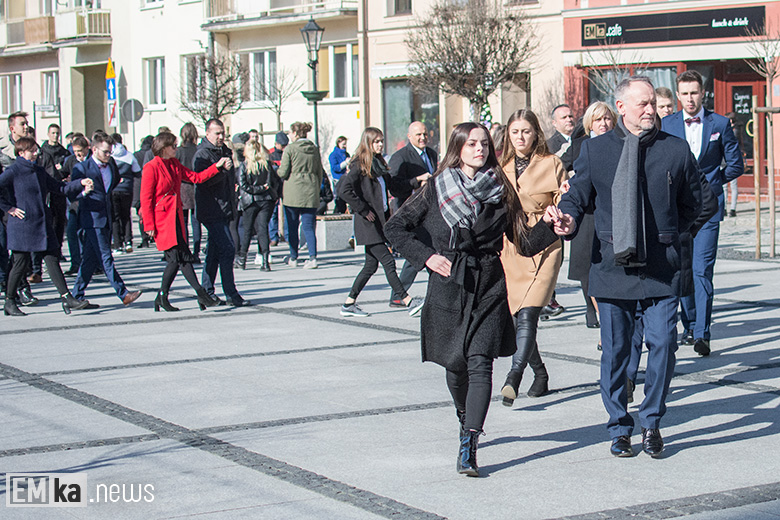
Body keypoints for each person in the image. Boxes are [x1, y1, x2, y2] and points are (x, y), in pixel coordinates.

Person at [385, 122, 570, 477]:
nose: (479, 149)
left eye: (484, 143)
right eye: (471, 144)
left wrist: (550, 226)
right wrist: (425, 257)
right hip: (449, 284)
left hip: (489, 284)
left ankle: (470, 442)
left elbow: (525, 242)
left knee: (480, 362)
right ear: (458, 148)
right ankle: (464, 416)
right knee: (455, 368)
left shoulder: (501, 190)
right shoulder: (436, 188)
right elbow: (396, 228)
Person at [557, 76, 702, 458]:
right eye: (642, 104)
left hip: (661, 267)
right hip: (611, 267)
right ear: (621, 107)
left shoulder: (675, 150)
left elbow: (698, 203)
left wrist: (670, 233)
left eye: (653, 103)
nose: (651, 110)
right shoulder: (595, 150)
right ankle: (619, 426)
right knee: (617, 352)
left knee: (664, 344)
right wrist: (568, 221)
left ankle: (651, 421)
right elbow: (577, 199)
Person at [662, 70, 743, 356]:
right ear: (678, 95)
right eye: (684, 93)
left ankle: (701, 332)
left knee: (701, 270)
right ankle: (688, 323)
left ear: (703, 92)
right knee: (682, 269)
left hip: (709, 208)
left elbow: (736, 164)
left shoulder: (719, 123)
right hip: (678, 210)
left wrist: (713, 182)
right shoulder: (666, 125)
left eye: (694, 92)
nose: (690, 98)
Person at [498, 109, 568, 406]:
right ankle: (540, 373)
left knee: (530, 312)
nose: (520, 137)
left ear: (536, 133)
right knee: (517, 315)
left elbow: (566, 198)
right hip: (513, 242)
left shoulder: (552, 163)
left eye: (526, 131)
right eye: (515, 132)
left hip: (545, 240)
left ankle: (514, 375)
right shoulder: (501, 166)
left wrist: (559, 211)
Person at [0, 137, 93, 316]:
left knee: (52, 258)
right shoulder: (14, 171)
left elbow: (59, 188)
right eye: (32, 150)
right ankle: (9, 301)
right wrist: (9, 208)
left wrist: (79, 184)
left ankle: (67, 297)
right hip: (22, 225)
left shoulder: (38, 170)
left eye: (36, 150)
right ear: (21, 153)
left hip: (41, 224)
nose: (36, 153)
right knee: (20, 263)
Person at [337, 127, 424, 318]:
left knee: (370, 266)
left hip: (379, 221)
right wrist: (363, 209)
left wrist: (417, 180)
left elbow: (394, 186)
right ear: (368, 142)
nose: (380, 144)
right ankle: (407, 300)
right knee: (387, 261)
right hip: (367, 223)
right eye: (376, 141)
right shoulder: (359, 164)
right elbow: (344, 190)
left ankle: (349, 303)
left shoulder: (377, 163)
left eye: (382, 141)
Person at [140, 132, 230, 312]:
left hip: (176, 218)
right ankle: (201, 294)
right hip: (162, 219)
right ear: (163, 148)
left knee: (179, 258)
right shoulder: (151, 167)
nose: (176, 148)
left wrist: (217, 167)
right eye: (173, 145)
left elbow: (196, 178)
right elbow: (146, 198)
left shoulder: (174, 163)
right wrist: (149, 226)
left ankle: (162, 296)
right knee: (178, 258)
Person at [561, 101, 618, 331]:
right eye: (598, 119)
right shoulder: (580, 145)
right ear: (589, 123)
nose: (603, 124)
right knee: (586, 266)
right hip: (586, 212)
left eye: (606, 118)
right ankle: (590, 306)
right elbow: (560, 166)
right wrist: (567, 183)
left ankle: (606, 315)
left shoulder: (619, 143)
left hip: (609, 212)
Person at [70, 132, 142, 307]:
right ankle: (123, 293)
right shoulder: (82, 168)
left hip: (106, 216)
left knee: (89, 259)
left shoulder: (110, 165)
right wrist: (84, 193)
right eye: (105, 152)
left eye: (110, 152)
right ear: (94, 149)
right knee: (105, 257)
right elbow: (72, 191)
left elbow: (113, 182)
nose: (108, 155)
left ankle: (75, 296)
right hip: (92, 218)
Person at [193, 119, 250, 306]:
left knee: (214, 250)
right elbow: (202, 181)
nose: (220, 137)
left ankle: (206, 293)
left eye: (222, 133)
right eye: (216, 133)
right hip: (211, 208)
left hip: (225, 206)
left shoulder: (224, 150)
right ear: (207, 133)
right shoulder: (202, 154)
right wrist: (220, 170)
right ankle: (231, 293)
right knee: (227, 248)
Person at [387, 121, 438, 306]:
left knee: (427, 249)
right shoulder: (401, 157)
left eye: (425, 134)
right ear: (409, 137)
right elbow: (395, 187)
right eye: (418, 135)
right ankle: (398, 293)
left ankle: (399, 293)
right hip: (411, 212)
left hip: (431, 210)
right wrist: (417, 180)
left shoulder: (431, 154)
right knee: (419, 251)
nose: (423, 138)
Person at [277, 122, 324, 269]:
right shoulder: (314, 149)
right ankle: (313, 257)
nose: (289, 135)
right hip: (310, 191)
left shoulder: (290, 149)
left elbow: (283, 172)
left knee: (292, 226)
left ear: (296, 134)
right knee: (309, 226)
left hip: (293, 192)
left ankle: (293, 257)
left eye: (290, 132)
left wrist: (277, 171)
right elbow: (319, 172)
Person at [236, 140, 280, 271]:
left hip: (250, 200)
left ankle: (242, 259)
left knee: (247, 230)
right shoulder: (266, 165)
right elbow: (273, 182)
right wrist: (265, 189)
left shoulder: (244, 166)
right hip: (266, 199)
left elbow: (243, 185)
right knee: (262, 230)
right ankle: (265, 261)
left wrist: (255, 189)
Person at [61, 135, 90, 275]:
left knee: (88, 233)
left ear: (87, 148)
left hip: (90, 200)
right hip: (75, 201)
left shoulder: (92, 160)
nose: (78, 154)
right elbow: (62, 173)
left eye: (80, 150)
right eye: (75, 151)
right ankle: (76, 263)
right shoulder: (71, 160)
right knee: (72, 231)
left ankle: (91, 262)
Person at [176, 123, 202, 262]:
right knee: (196, 222)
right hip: (196, 186)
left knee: (183, 222)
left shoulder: (179, 151)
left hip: (182, 187)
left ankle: (185, 251)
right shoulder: (198, 150)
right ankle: (196, 252)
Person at [110, 133, 140, 253]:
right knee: (126, 216)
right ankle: (128, 241)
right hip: (127, 189)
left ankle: (117, 244)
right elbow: (137, 172)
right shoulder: (129, 155)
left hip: (114, 189)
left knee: (115, 217)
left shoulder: (109, 156)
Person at [268, 131, 288, 246]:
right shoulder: (271, 154)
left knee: (288, 212)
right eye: (282, 145)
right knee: (273, 213)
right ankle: (273, 237)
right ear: (276, 144)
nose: (284, 147)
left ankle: (287, 235)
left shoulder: (289, 153)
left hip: (285, 186)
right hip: (274, 186)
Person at [328, 136, 350, 214]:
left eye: (346, 144)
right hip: (338, 179)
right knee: (339, 198)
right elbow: (335, 168)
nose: (345, 146)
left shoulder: (347, 154)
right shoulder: (333, 155)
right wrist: (345, 163)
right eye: (343, 144)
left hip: (346, 178)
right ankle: (337, 212)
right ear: (338, 143)